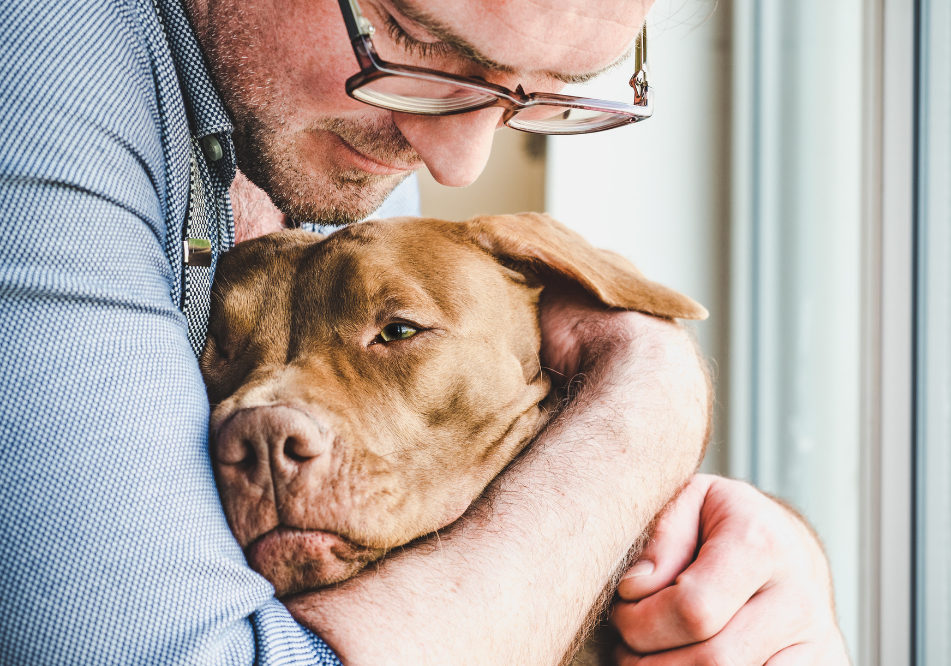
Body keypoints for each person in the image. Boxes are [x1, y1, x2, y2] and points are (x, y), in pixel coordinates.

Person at [0, 0, 849, 663]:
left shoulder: (345, 140)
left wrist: (741, 577)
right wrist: (647, 409)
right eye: (413, 36)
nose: (458, 162)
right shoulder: (42, 68)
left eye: (545, 85)